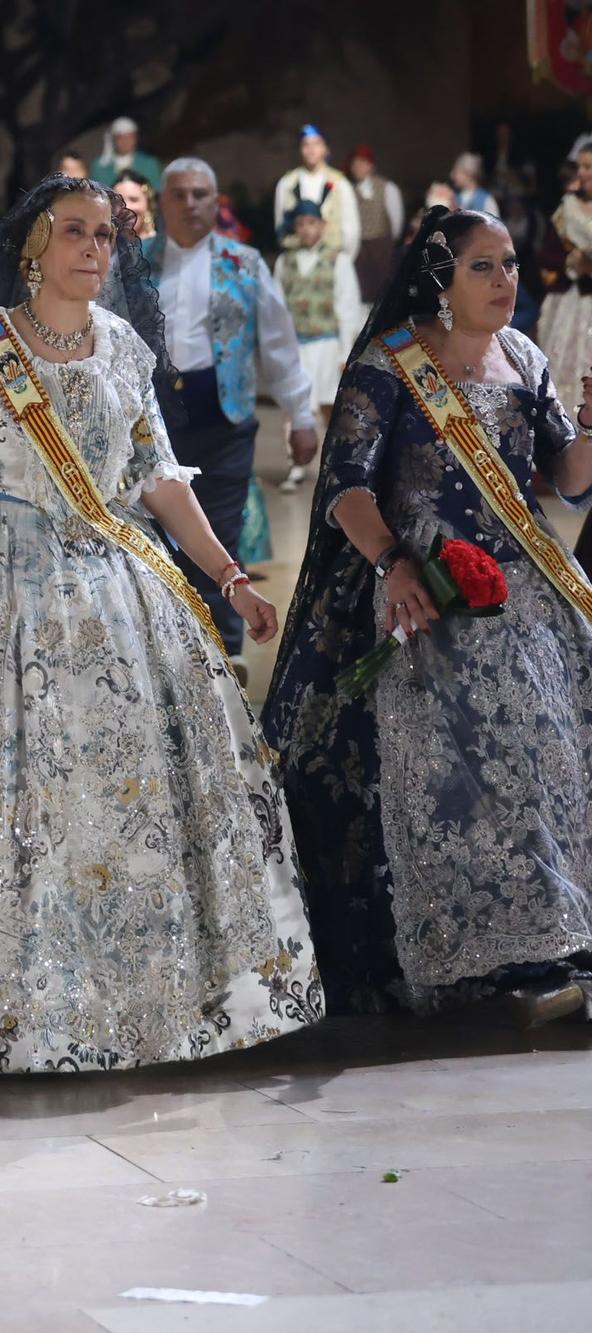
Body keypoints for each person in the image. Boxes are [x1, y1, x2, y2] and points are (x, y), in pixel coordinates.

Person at [0, 176, 321, 1073]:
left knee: (124, 797)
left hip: (115, 594)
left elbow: (159, 477)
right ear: (33, 248)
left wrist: (230, 577)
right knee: (11, 794)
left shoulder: (122, 346)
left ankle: (138, 999)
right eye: (73, 232)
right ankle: (8, 1003)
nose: (92, 249)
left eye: (105, 237)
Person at [263, 207, 592, 1025]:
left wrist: (590, 420)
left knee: (555, 737)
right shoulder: (394, 363)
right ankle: (491, 949)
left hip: (528, 585)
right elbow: (346, 490)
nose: (506, 280)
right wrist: (395, 564)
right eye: (485, 266)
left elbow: (572, 482)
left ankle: (561, 929)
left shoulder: (523, 355)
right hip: (423, 587)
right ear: (442, 280)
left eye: (512, 263)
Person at [150, 158, 321, 676]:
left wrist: (302, 414)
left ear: (216, 200)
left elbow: (278, 342)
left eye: (200, 194)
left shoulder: (244, 263)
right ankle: (168, 648)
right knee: (158, 532)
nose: (189, 204)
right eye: (178, 195)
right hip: (154, 421)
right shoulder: (133, 264)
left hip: (225, 418)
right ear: (162, 202)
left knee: (221, 530)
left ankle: (225, 653)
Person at [274, 200, 366, 490]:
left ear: (323, 226)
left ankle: (333, 464)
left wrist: (345, 350)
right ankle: (296, 464)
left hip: (326, 343)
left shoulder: (337, 260)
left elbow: (347, 305)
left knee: (331, 407)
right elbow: (277, 307)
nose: (307, 229)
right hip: (296, 344)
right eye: (301, 224)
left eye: (312, 223)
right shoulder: (284, 262)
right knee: (294, 407)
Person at [539, 136, 592, 424]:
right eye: (581, 166)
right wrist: (571, 263)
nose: (582, 172)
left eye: (589, 166)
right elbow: (548, 255)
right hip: (572, 302)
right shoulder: (568, 207)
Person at [273, 125, 361, 260]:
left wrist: (346, 259)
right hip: (297, 258)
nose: (311, 149)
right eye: (306, 144)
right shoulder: (287, 183)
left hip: (331, 258)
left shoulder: (340, 183)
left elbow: (351, 227)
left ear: (325, 149)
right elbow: (280, 224)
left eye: (316, 144)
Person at [349, 144, 406, 297]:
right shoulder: (350, 191)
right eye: (355, 163)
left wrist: (388, 241)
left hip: (382, 247)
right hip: (360, 248)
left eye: (362, 163)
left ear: (371, 165)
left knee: (383, 289)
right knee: (362, 289)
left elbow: (396, 220)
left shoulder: (387, 187)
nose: (358, 167)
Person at [90, 115, 164, 189]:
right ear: (113, 139)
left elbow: (156, 189)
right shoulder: (100, 165)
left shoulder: (149, 163)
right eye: (120, 137)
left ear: (136, 138)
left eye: (129, 137)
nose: (125, 142)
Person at [449, 151, 500, 217]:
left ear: (468, 174)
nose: (452, 175)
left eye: (457, 171)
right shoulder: (454, 197)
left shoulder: (486, 200)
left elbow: (495, 225)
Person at [112, 168, 158, 239]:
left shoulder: (162, 246)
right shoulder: (102, 247)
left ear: (149, 205)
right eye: (119, 202)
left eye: (134, 200)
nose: (126, 208)